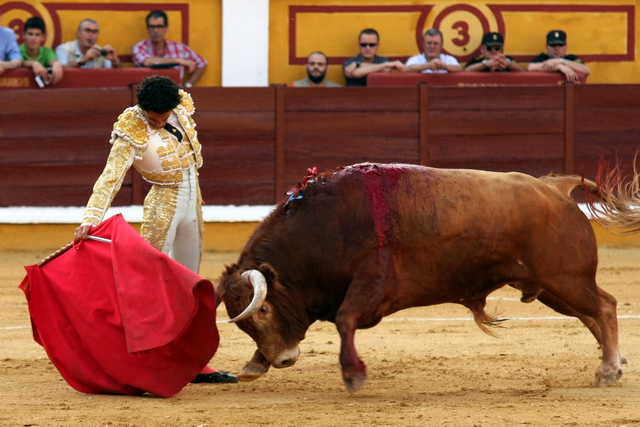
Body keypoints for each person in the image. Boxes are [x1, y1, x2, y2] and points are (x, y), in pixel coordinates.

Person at [74, 75, 237, 384]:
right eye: (153, 119)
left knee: (190, 284)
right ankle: (139, 359)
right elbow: (112, 176)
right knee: (148, 286)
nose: (159, 124)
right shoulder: (131, 127)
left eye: (163, 118)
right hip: (162, 206)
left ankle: (190, 362)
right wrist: (91, 218)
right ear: (142, 108)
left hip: (193, 202)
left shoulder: (180, 107)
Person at [132, 10, 207, 87]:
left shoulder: (179, 48)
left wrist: (188, 85)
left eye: (159, 26)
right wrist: (178, 61)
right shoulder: (139, 47)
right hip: (149, 95)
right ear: (148, 29)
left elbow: (202, 63)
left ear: (166, 28)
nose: (156, 30)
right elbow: (147, 62)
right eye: (152, 27)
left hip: (174, 94)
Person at [55, 18, 122, 68]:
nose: (91, 35)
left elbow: (117, 77)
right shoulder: (64, 49)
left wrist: (115, 61)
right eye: (87, 30)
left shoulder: (101, 52)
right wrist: (83, 60)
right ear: (78, 34)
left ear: (97, 36)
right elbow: (62, 70)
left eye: (95, 32)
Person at [20, 17, 63, 85]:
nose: (33, 38)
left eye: (37, 35)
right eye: (30, 34)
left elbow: (53, 61)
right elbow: (16, 62)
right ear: (24, 35)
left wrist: (57, 64)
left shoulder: (47, 52)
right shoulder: (16, 50)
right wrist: (33, 63)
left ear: (43, 37)